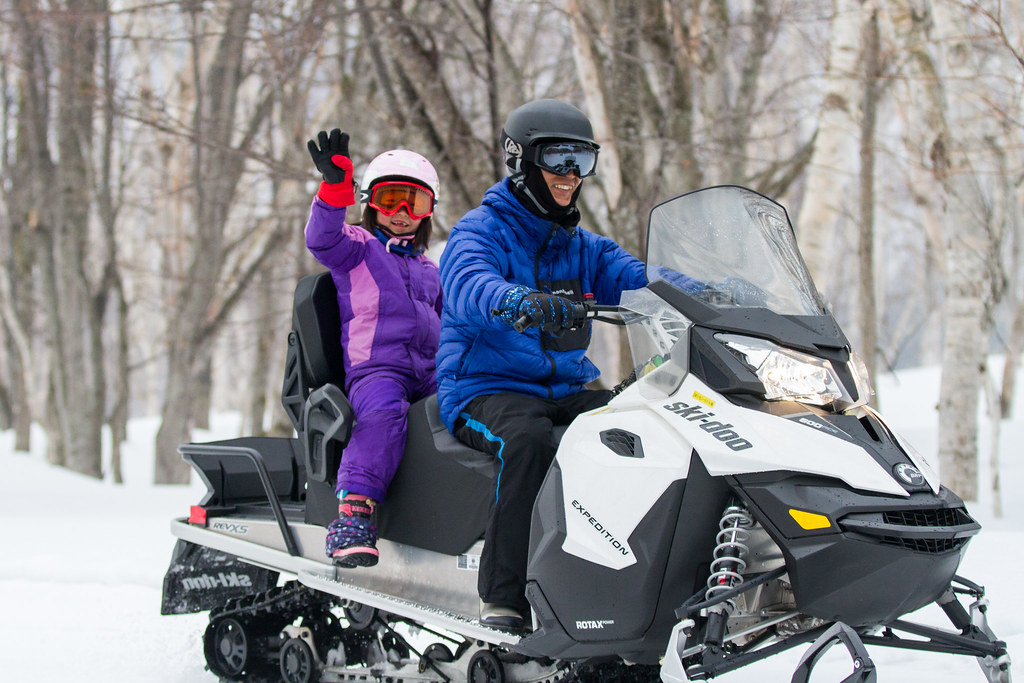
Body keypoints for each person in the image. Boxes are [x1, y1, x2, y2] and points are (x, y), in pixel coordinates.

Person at [436, 100, 648, 630]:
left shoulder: (583, 246)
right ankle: (504, 598)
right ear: (523, 160)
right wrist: (517, 302)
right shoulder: (480, 230)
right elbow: (465, 283)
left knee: (639, 426)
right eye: (559, 159)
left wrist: (709, 295)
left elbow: (642, 278)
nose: (571, 175)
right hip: (483, 386)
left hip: (561, 387)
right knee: (526, 442)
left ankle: (622, 581)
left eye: (583, 161)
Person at [304, 129, 442, 568]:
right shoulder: (358, 248)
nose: (401, 213)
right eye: (389, 200)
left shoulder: (428, 267)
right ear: (369, 203)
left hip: (429, 372)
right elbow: (321, 238)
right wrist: (333, 189)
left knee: (473, 401)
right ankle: (353, 512)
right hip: (377, 369)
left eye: (414, 203)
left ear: (429, 211)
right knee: (383, 415)